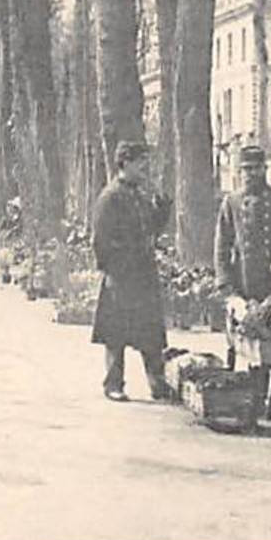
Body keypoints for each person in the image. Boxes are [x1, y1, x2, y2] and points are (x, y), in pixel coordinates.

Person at [90, 141, 174, 403]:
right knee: (116, 332)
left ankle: (157, 383)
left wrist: (162, 211)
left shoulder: (139, 195)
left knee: (150, 330)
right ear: (125, 163)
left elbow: (151, 229)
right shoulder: (110, 197)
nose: (145, 168)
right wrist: (113, 269)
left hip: (143, 272)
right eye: (141, 163)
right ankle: (113, 383)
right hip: (122, 274)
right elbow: (100, 240)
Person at [215, 145, 271, 302]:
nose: (250, 174)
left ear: (264, 169)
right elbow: (221, 246)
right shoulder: (232, 202)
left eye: (255, 168)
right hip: (242, 285)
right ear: (240, 172)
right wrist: (225, 284)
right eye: (246, 169)